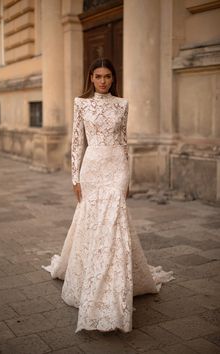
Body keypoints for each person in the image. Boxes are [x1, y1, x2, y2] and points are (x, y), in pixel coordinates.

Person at [42, 58, 174, 333]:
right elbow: (77, 141)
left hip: (116, 168)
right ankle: (89, 278)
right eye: (98, 76)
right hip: (92, 168)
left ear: (113, 79)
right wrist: (75, 176)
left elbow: (124, 141)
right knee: (92, 221)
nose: (103, 81)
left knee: (114, 222)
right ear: (90, 77)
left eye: (108, 77)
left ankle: (113, 288)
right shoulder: (81, 103)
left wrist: (127, 176)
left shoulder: (122, 105)